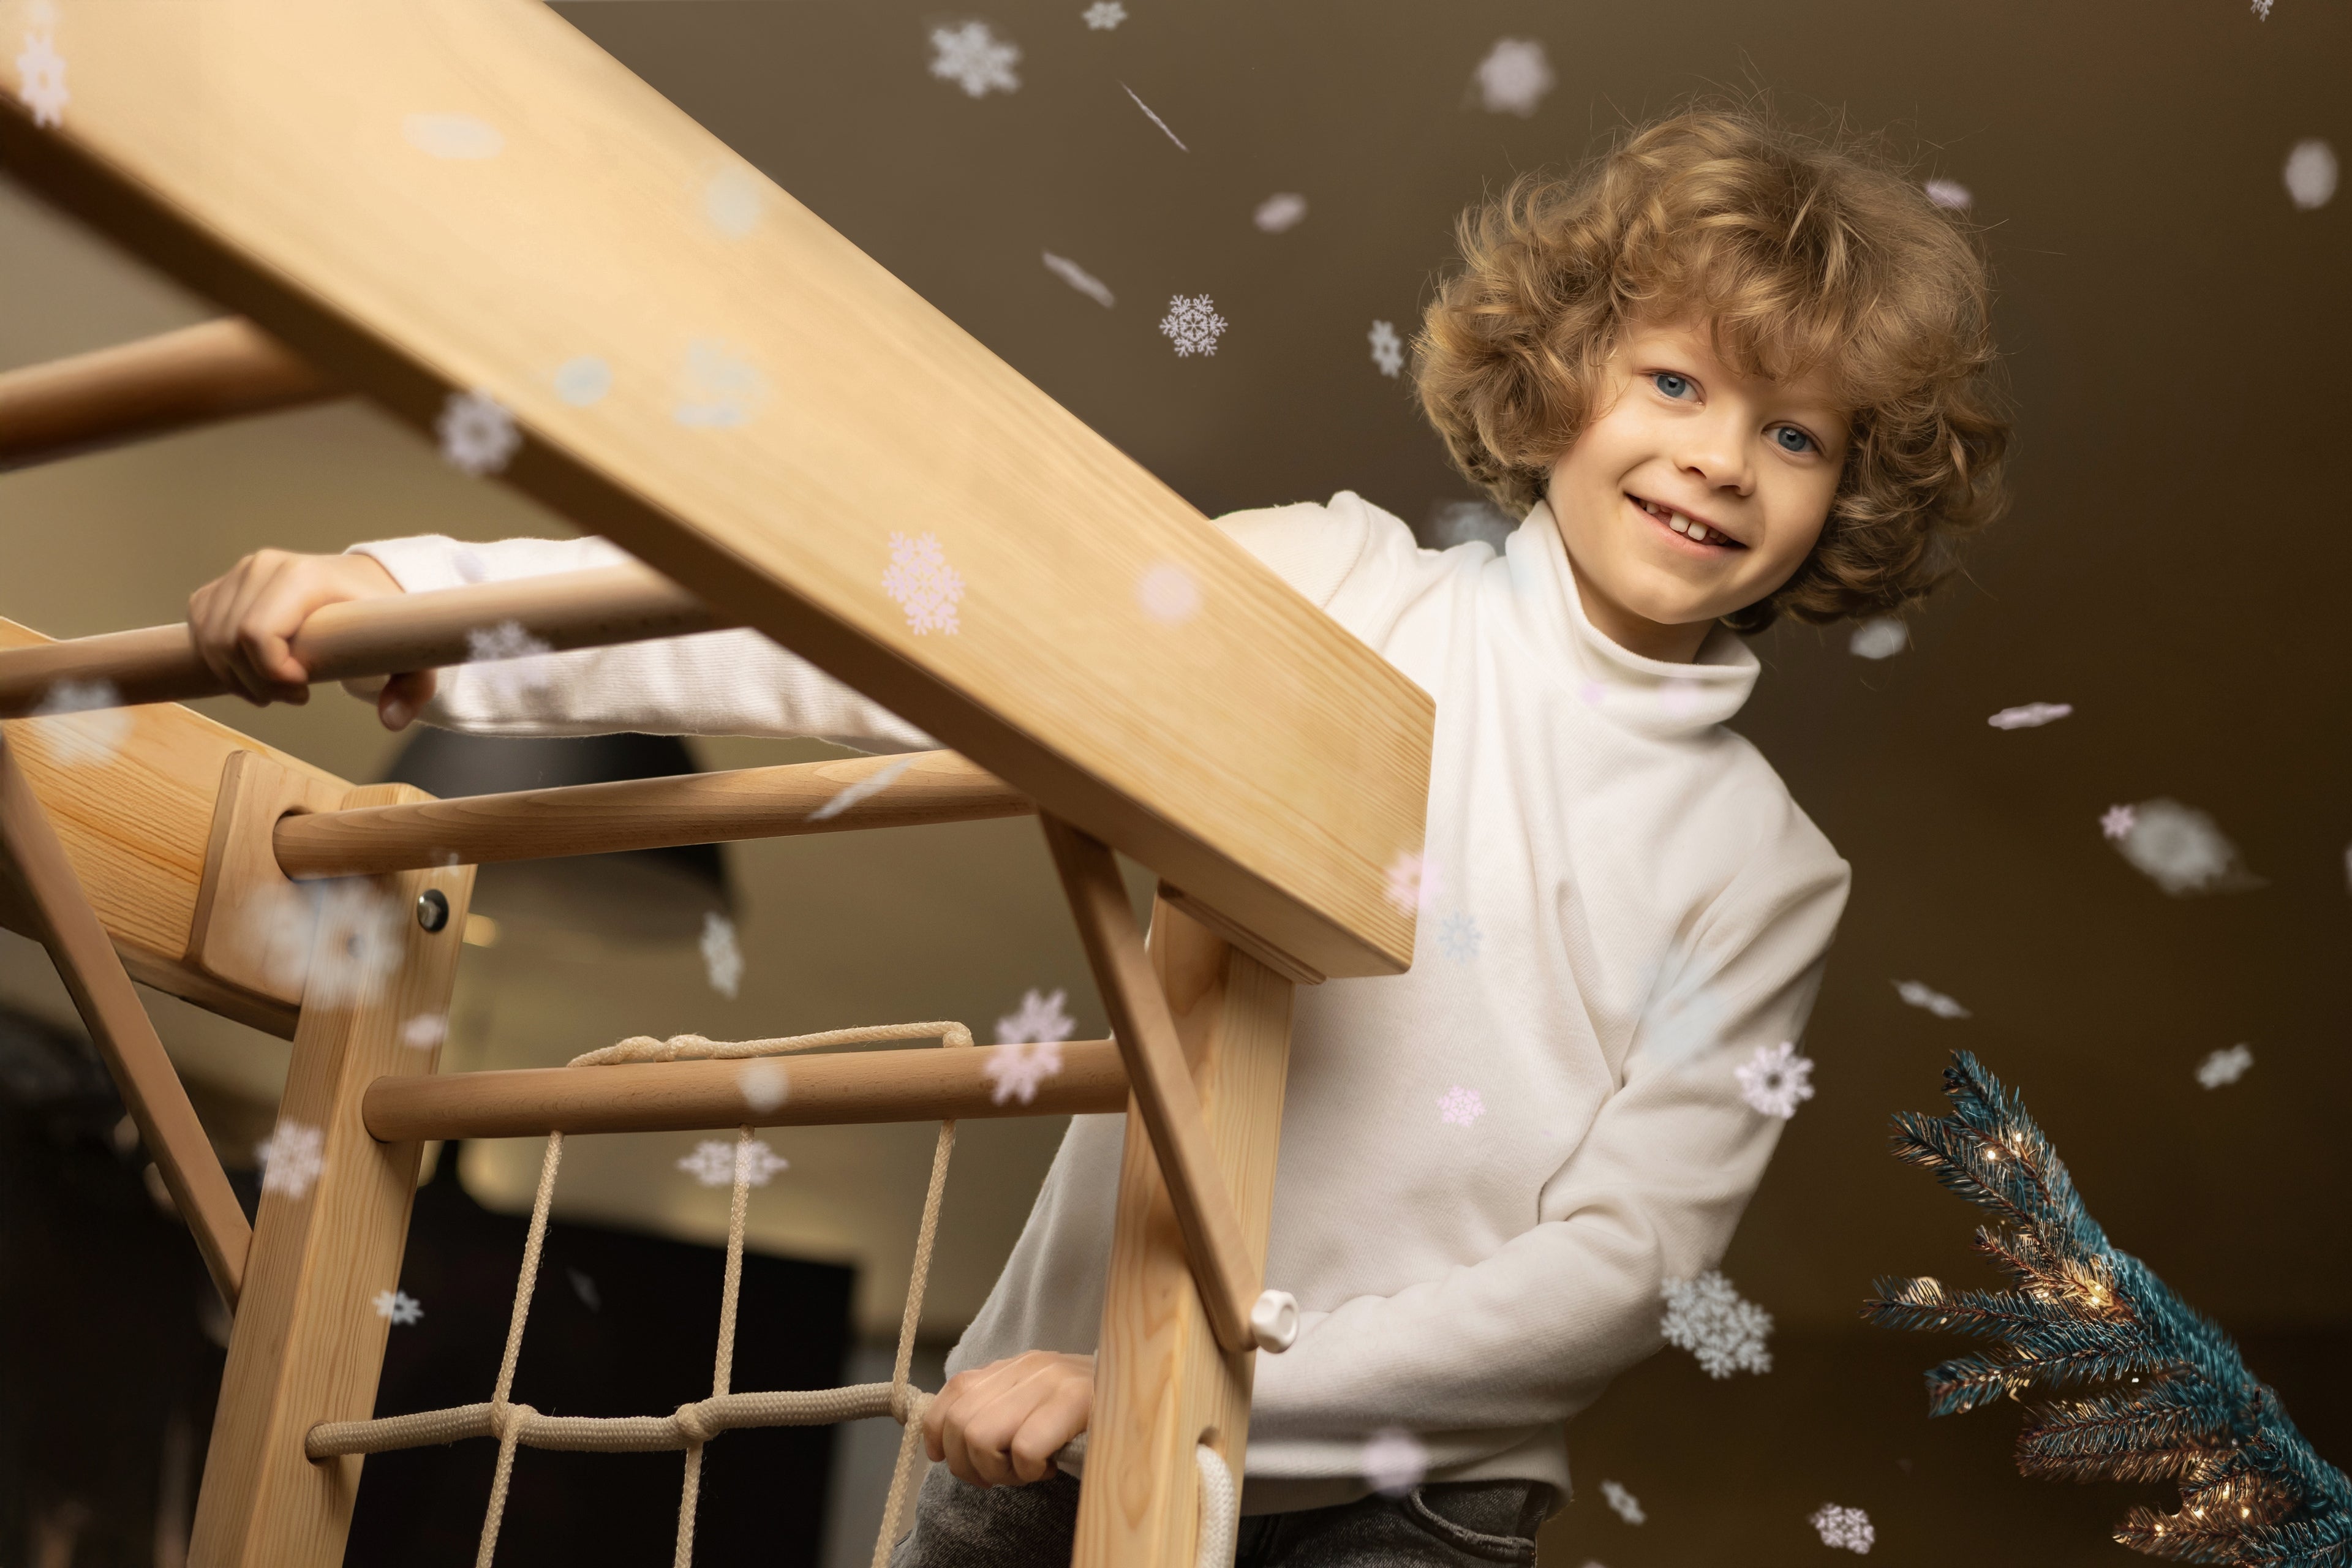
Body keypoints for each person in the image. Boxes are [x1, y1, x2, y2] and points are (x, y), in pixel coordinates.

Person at [188, 104, 2007, 1567]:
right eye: (1677, 384)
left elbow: (1623, 1266)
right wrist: (443, 604)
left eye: (1796, 434)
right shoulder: (1342, 596)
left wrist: (1184, 1384)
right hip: (1031, 1441)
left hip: (1402, 1508)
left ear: (1850, 497)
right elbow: (920, 622)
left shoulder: (1767, 870)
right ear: (1563, 384)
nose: (1721, 459)